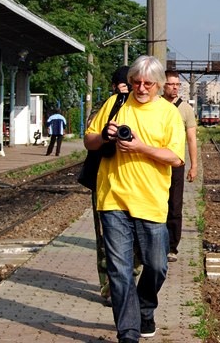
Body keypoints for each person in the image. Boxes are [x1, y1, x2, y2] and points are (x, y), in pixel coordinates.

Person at [84, 56, 185, 342]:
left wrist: (141, 147)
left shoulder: (168, 114)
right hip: (112, 198)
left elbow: (176, 158)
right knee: (120, 269)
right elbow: (89, 141)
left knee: (156, 265)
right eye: (136, 83)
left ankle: (144, 308)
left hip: (151, 201)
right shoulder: (116, 104)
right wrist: (104, 136)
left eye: (148, 84)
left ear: (159, 85)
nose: (141, 89)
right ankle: (128, 333)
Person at [88, 65, 130, 303]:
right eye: (122, 85)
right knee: (105, 236)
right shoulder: (108, 105)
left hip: (137, 181)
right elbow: (90, 137)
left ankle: (126, 280)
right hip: (104, 178)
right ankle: (109, 286)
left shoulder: (146, 106)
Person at [163, 70, 199, 263]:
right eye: (171, 84)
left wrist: (194, 166)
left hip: (177, 163)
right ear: (163, 85)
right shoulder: (155, 105)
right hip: (157, 162)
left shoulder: (185, 109)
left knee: (175, 205)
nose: (175, 87)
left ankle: (171, 247)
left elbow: (191, 138)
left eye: (177, 84)